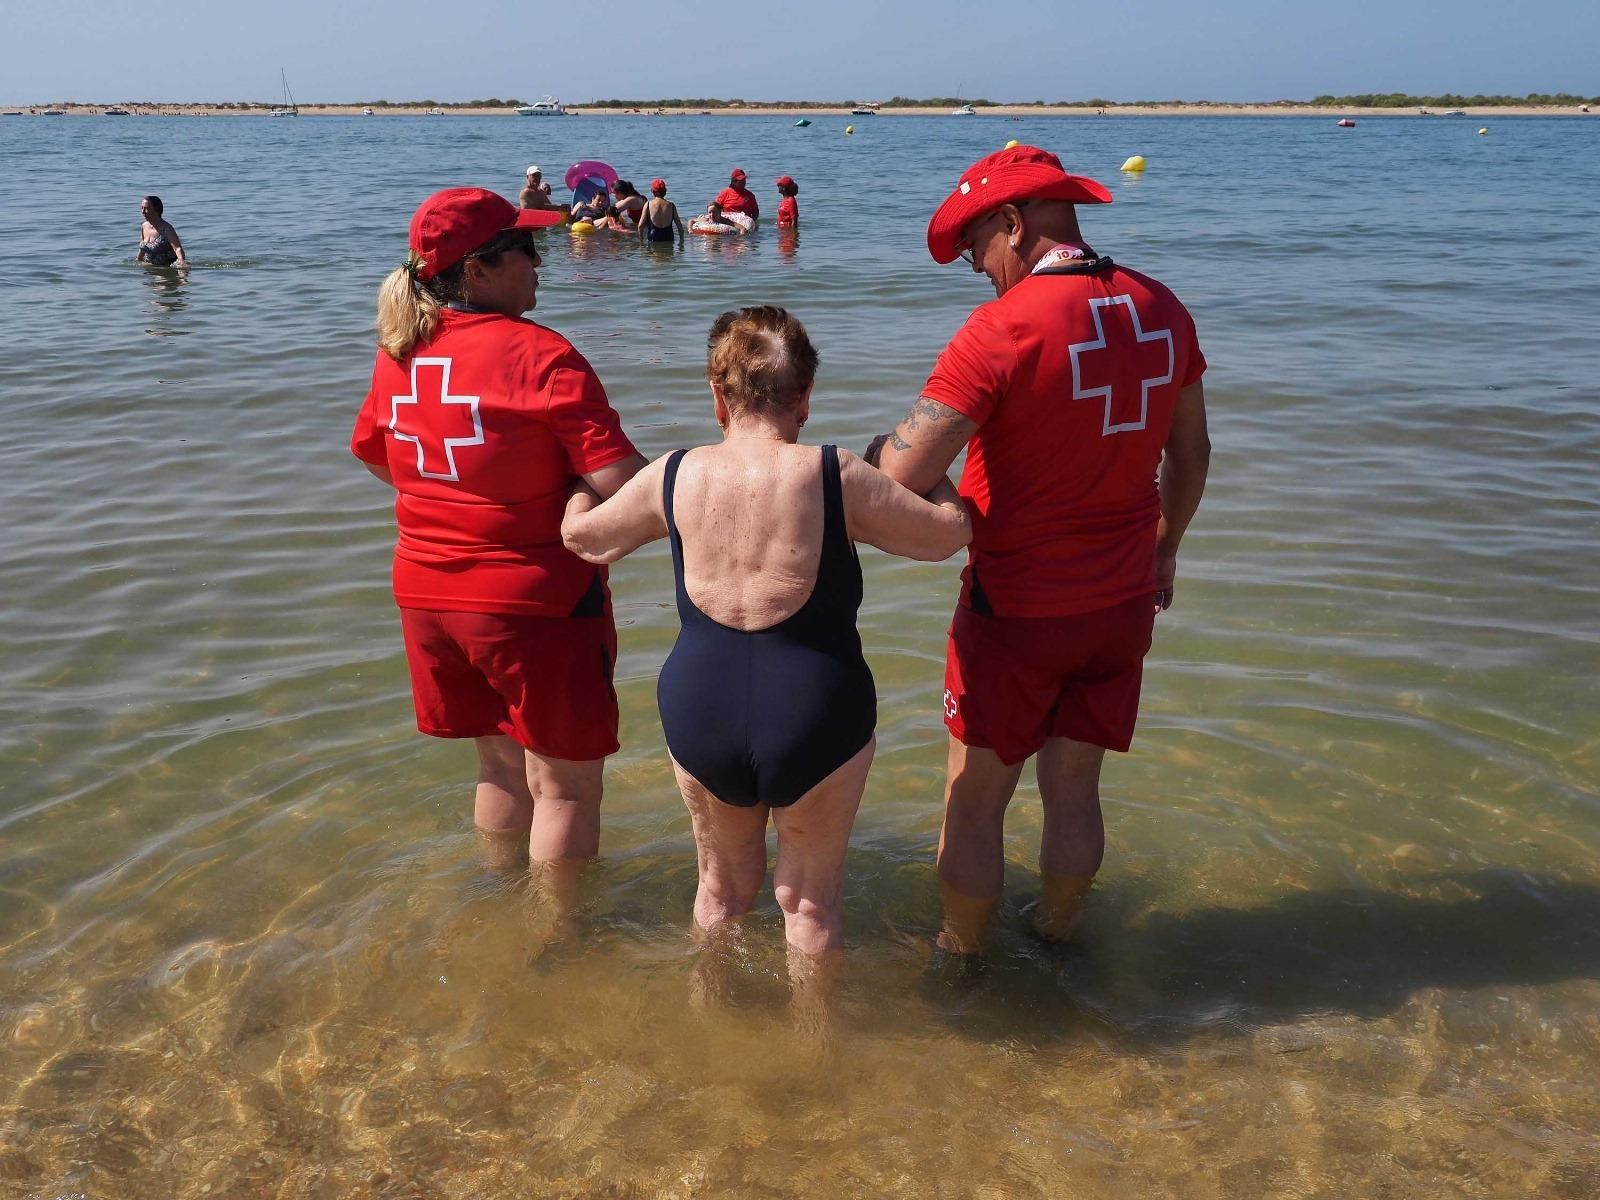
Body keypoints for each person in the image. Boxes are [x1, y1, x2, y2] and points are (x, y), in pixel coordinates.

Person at [561, 306, 970, 1008]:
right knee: (810, 904)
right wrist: (918, 471)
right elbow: (946, 536)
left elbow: (587, 540)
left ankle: (709, 1043)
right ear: (806, 396)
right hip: (816, 708)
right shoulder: (835, 474)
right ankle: (815, 1064)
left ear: (717, 397)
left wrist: (572, 487)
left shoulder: (674, 474)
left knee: (719, 893)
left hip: (701, 708)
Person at [866, 145, 1211, 959]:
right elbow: (1191, 455)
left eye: (975, 250)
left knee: (975, 799)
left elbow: (907, 477)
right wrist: (1165, 548)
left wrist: (886, 448)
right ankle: (1058, 937)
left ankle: (961, 956)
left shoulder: (999, 330)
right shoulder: (1163, 306)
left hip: (1016, 610)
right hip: (1122, 603)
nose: (978, 271)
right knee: (1075, 789)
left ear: (1013, 225)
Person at [351, 187, 647, 923]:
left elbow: (376, 454)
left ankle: (499, 902)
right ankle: (560, 938)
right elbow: (624, 489)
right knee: (567, 788)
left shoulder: (400, 350)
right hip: (533, 606)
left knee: (499, 767)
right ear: (480, 272)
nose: (541, 263)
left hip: (426, 597)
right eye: (526, 250)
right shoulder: (542, 355)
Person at [136, 195, 186, 267]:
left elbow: (177, 248)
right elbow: (142, 249)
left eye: (146, 208)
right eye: (142, 208)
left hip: (166, 270)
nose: (143, 212)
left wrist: (182, 263)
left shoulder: (167, 229)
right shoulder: (144, 226)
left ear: (156, 210)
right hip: (150, 270)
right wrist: (137, 262)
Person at [639, 178, 685, 246]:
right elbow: (679, 225)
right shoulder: (671, 205)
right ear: (665, 191)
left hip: (654, 236)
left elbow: (640, 225)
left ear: (652, 191)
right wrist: (681, 241)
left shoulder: (648, 204)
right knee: (668, 256)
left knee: (655, 255)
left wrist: (641, 241)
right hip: (668, 236)